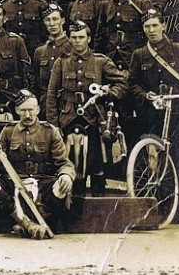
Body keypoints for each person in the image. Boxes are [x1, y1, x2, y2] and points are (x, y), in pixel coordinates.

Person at [127, 9, 179, 224]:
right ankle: (160, 207)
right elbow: (132, 84)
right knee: (153, 159)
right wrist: (146, 95)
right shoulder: (140, 55)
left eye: (155, 25)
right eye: (147, 27)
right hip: (152, 114)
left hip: (178, 112)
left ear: (163, 26)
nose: (151, 30)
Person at [45, 20, 128, 196]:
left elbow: (122, 84)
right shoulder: (61, 63)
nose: (77, 41)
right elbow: (51, 95)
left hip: (94, 120)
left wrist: (108, 92)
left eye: (81, 37)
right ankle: (74, 209)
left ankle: (98, 209)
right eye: (73, 37)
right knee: (72, 166)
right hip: (68, 119)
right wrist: (54, 125)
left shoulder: (100, 62)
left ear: (88, 39)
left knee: (97, 165)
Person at [0, 90, 76, 238]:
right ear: (17, 110)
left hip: (42, 182)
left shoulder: (50, 132)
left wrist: (67, 175)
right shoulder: (8, 131)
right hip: (15, 182)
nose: (27, 115)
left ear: (37, 110)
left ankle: (30, 222)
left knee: (62, 185)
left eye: (31, 110)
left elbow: (64, 162)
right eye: (23, 110)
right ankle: (28, 224)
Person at [101, 0, 154, 68]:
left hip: (133, 59)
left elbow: (151, 33)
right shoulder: (106, 4)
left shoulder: (141, 3)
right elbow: (100, 35)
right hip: (111, 59)